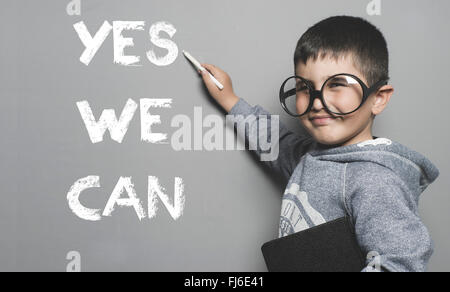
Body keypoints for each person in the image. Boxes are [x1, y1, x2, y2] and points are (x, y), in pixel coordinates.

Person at [197, 15, 440, 272]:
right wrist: (230, 100)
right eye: (304, 87)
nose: (316, 102)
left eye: (336, 84)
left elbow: (401, 263)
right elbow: (275, 143)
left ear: (378, 98)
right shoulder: (312, 158)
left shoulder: (375, 181)